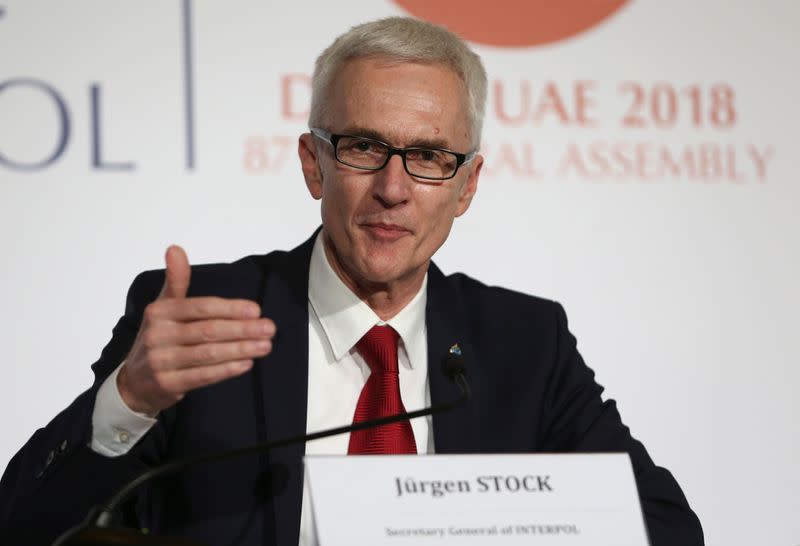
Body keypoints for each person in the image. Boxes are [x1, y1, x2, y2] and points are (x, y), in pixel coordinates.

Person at [0, 17, 703, 546]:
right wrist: (128, 401)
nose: (394, 189)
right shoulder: (200, 321)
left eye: (429, 156)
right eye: (365, 146)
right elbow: (27, 528)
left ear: (466, 186)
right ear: (314, 164)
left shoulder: (524, 344)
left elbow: (667, 529)